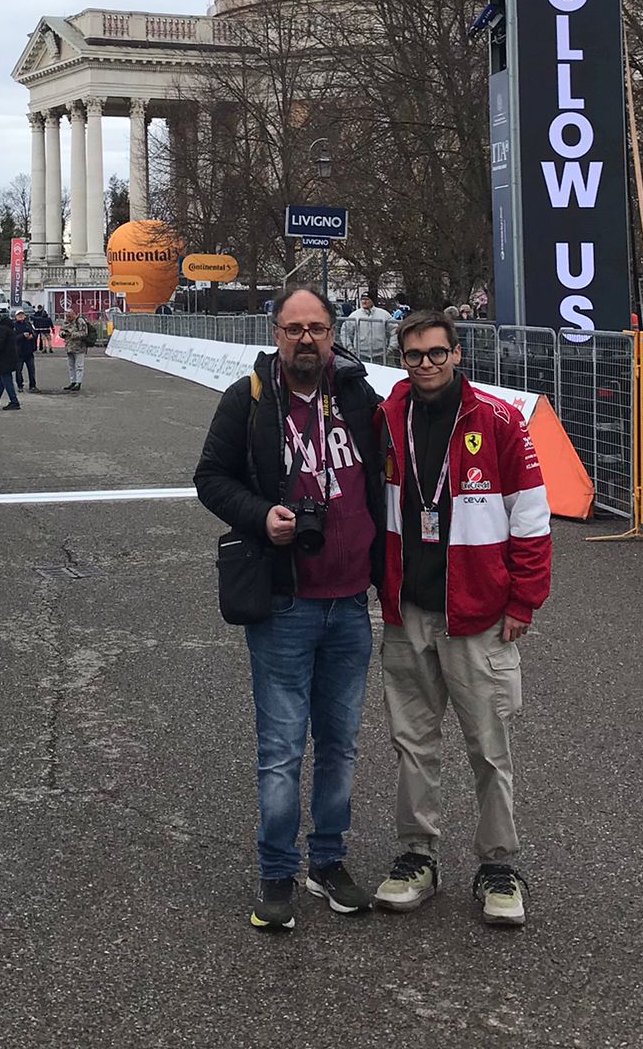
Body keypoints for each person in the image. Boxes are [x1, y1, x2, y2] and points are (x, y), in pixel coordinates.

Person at [193, 287, 385, 932]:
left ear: (334, 333)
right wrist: (260, 516)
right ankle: (276, 871)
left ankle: (328, 862)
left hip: (351, 603)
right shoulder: (247, 400)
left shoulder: (359, 395)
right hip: (285, 602)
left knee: (341, 746)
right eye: (294, 328)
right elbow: (211, 477)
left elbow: (388, 482)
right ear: (276, 333)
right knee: (280, 749)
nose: (307, 339)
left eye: (318, 328)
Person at [374, 310, 551, 929]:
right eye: (414, 354)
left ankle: (499, 865)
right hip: (408, 611)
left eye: (436, 353)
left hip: (476, 614)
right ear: (402, 359)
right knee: (412, 743)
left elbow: (530, 517)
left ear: (456, 355)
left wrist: (524, 600)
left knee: (489, 745)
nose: (426, 363)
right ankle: (416, 856)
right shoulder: (388, 417)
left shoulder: (498, 420)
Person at [339, 292, 395, 365]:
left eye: (367, 299)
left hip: (380, 355)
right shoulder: (354, 315)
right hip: (360, 355)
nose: (364, 301)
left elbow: (395, 330)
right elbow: (345, 332)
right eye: (362, 299)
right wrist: (350, 349)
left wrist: (391, 347)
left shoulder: (384, 314)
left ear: (372, 301)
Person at [60, 308, 91, 391]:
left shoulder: (80, 321)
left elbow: (84, 333)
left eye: (70, 316)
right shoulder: (65, 321)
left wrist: (72, 334)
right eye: (67, 316)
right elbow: (61, 330)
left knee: (79, 366)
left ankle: (78, 382)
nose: (68, 318)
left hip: (79, 347)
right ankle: (72, 381)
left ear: (74, 314)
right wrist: (62, 334)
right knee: (70, 366)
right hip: (69, 346)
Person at [13, 307, 38, 392]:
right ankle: (20, 386)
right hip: (18, 352)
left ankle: (33, 386)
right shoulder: (13, 326)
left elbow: (34, 333)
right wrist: (22, 336)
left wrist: (32, 336)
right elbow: (13, 338)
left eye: (22, 315)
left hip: (29, 351)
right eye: (18, 315)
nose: (20, 316)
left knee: (31, 370)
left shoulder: (28, 324)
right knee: (18, 371)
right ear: (15, 316)